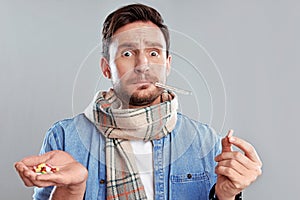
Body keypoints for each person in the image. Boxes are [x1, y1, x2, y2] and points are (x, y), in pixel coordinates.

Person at [15, 3, 262, 200]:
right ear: (106, 68)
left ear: (167, 63)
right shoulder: (64, 138)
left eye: (153, 53)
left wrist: (227, 196)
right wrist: (72, 189)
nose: (143, 65)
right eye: (127, 53)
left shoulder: (204, 140)